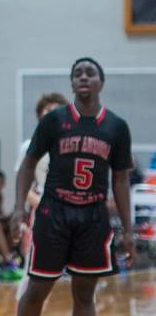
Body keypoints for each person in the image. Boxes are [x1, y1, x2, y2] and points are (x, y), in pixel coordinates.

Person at [12, 57, 134, 316]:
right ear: (71, 83)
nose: (83, 77)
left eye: (90, 73)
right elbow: (27, 164)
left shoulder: (117, 126)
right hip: (54, 212)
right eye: (77, 73)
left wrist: (129, 229)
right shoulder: (54, 120)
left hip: (93, 216)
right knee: (36, 289)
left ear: (101, 82)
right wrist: (17, 208)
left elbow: (121, 180)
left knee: (84, 294)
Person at [14, 92, 68, 301]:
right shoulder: (29, 146)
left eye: (57, 111)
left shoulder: (75, 144)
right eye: (48, 111)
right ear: (40, 116)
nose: (52, 115)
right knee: (32, 272)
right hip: (45, 212)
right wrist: (47, 206)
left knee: (84, 276)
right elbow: (23, 186)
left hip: (75, 213)